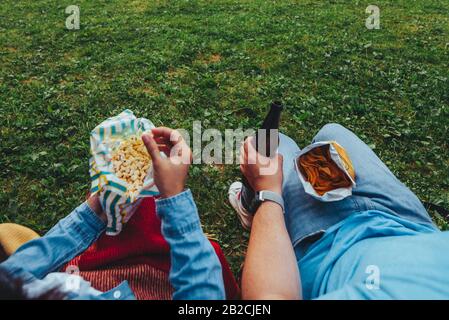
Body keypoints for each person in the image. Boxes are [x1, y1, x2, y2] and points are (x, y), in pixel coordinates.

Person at [0, 127, 225, 300]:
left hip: (75, 271)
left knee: (134, 210)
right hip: (135, 284)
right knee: (200, 247)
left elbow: (18, 269)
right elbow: (203, 292)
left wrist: (94, 211)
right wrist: (173, 196)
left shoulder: (10, 282)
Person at [229, 123, 449, 299]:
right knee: (332, 132)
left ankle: (253, 207)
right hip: (404, 223)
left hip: (322, 246)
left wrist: (267, 193)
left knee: (276, 148)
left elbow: (271, 296)